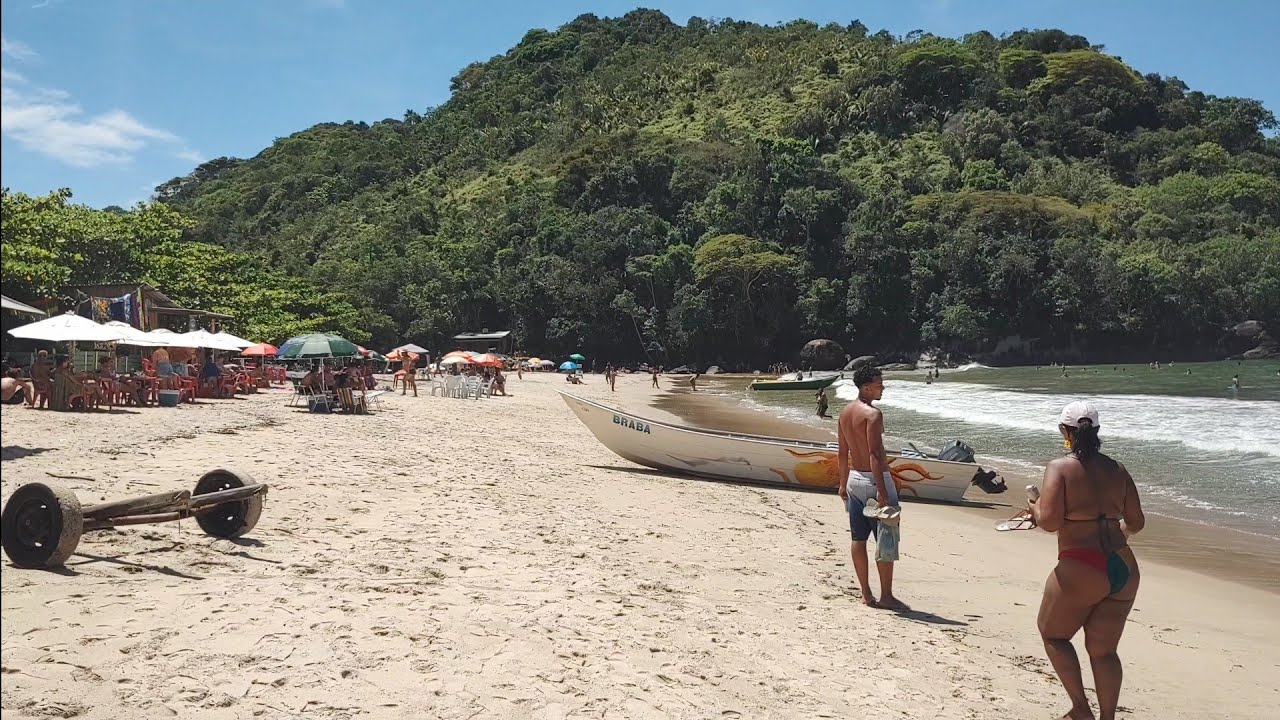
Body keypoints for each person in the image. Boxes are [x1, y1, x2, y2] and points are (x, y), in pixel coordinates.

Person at [1029, 401, 1144, 720]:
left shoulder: (1060, 468)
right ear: (1096, 431)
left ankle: (1081, 709)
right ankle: (1108, 717)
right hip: (1123, 565)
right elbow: (1136, 522)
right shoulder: (1117, 468)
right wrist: (1114, 527)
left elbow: (1050, 521)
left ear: (1064, 431)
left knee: (1053, 634)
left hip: (1082, 563)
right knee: (1104, 651)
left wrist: (1035, 507)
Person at [836, 366, 903, 609]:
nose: (882, 388)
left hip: (854, 480)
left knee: (858, 537)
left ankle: (865, 593)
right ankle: (886, 595)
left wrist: (842, 484)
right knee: (886, 539)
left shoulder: (844, 413)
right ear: (866, 387)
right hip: (876, 481)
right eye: (879, 384)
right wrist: (882, 491)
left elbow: (843, 453)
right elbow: (875, 454)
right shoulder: (873, 415)